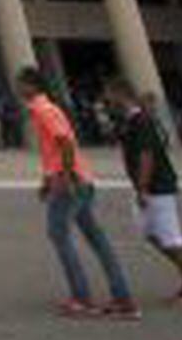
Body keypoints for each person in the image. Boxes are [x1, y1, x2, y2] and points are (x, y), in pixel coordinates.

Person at [17, 67, 136, 319]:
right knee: (96, 238)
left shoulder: (43, 110)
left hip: (70, 183)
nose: (17, 89)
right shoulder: (45, 110)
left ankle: (81, 297)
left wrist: (66, 176)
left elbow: (65, 142)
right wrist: (47, 179)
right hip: (78, 179)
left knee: (59, 234)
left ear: (31, 86)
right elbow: (54, 150)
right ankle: (122, 296)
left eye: (21, 84)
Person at [105, 76, 182, 308]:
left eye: (110, 95)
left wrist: (142, 189)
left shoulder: (140, 121)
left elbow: (146, 156)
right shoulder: (130, 120)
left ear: (121, 94)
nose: (107, 100)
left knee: (171, 237)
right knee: (151, 233)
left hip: (156, 187)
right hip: (146, 186)